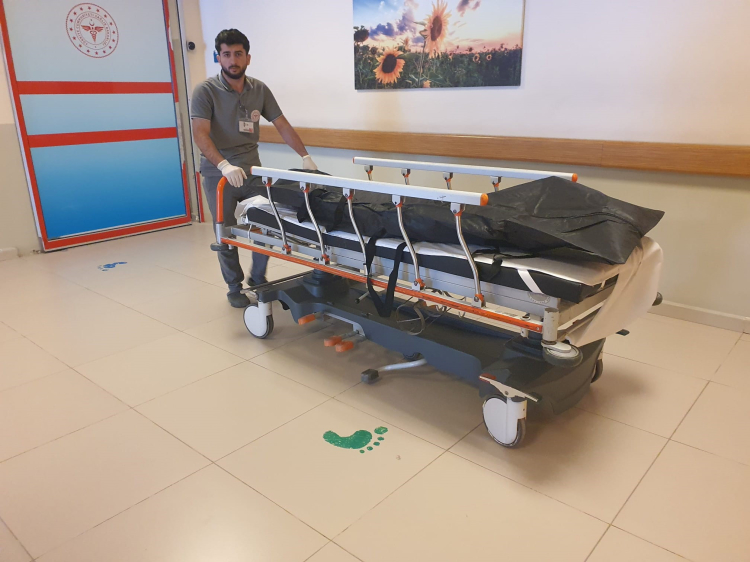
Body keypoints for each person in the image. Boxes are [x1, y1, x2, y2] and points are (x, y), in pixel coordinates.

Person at [190, 28, 317, 308]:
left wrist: (305, 156)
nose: (232, 60)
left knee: (266, 223)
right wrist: (224, 165)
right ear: (218, 57)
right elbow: (200, 134)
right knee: (225, 231)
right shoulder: (205, 91)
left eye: (238, 54)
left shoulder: (259, 89)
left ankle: (257, 277)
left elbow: (282, 124)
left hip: (252, 171)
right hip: (218, 173)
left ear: (248, 57)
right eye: (226, 54)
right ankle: (234, 287)